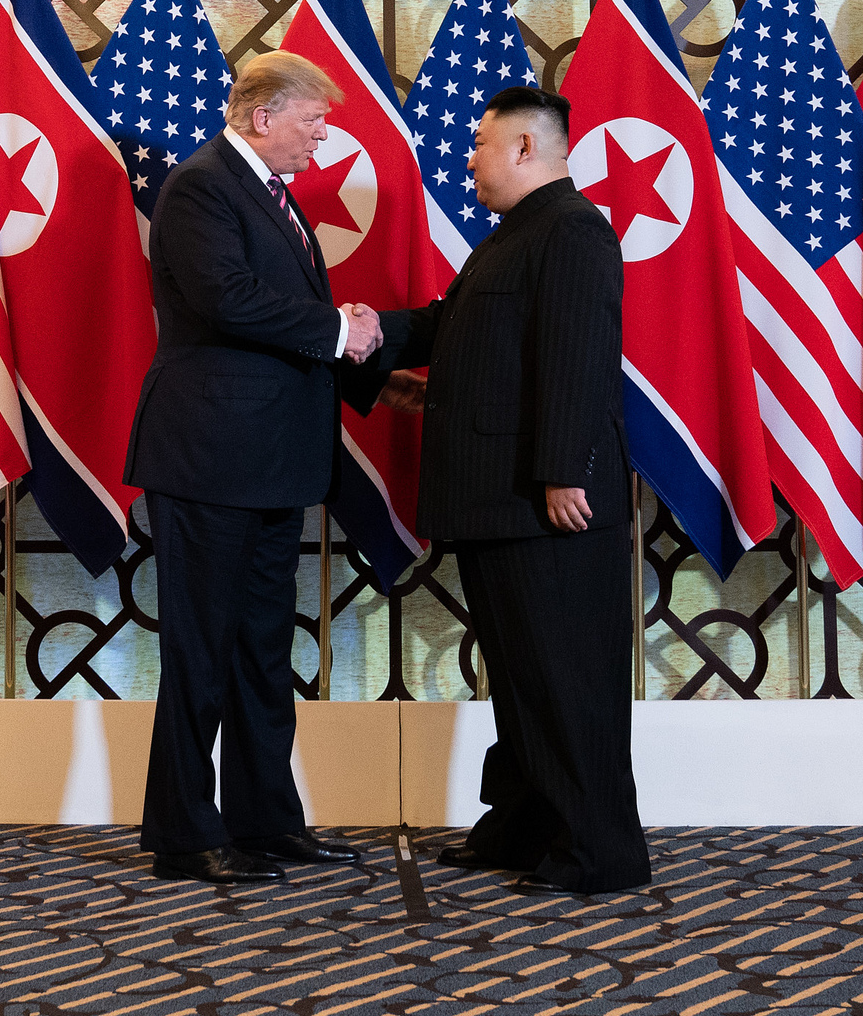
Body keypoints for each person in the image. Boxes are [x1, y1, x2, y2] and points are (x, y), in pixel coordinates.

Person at [367, 85, 650, 895]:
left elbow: (579, 354)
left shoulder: (571, 229)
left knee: (564, 677)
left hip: (545, 502)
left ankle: (600, 852)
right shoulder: (516, 235)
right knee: (525, 676)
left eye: (482, 143)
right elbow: (460, 330)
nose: (470, 157)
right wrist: (368, 335)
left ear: (526, 148)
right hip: (499, 499)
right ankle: (527, 828)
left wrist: (565, 468)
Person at [124, 50, 385, 885]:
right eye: (315, 119)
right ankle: (184, 833)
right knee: (202, 651)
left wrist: (366, 360)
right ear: (264, 115)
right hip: (209, 459)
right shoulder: (200, 186)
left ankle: (267, 820)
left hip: (269, 463)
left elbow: (277, 316)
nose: (322, 136)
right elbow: (227, 299)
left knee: (262, 652)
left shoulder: (273, 197)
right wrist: (339, 331)